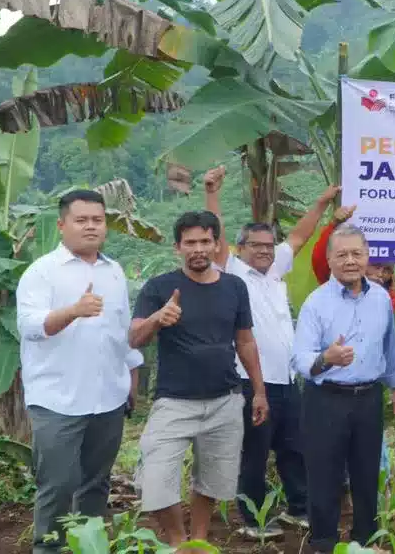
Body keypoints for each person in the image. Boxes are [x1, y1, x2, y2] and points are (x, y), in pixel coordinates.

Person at [202, 165, 339, 539]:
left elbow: (299, 236)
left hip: (287, 378)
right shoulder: (232, 271)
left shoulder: (275, 268)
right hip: (250, 381)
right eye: (256, 246)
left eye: (268, 245)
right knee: (255, 452)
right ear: (241, 248)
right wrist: (212, 193)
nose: (264, 251)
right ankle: (253, 520)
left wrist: (322, 203)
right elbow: (216, 236)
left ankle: (299, 509)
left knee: (295, 447)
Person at [130, 211, 270, 548]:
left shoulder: (234, 287)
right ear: (177, 247)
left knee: (212, 481)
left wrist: (259, 391)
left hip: (225, 400)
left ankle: (199, 542)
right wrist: (158, 318)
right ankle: (180, 542)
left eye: (205, 241)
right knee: (155, 478)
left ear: (217, 244)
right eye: (190, 242)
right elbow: (134, 338)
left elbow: (245, 341)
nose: (198, 249)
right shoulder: (159, 287)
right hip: (174, 401)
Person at [16, 190, 142, 554]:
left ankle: (89, 546)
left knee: (96, 484)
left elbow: (122, 331)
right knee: (57, 484)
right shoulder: (42, 272)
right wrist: (73, 311)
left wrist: (132, 377)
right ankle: (48, 549)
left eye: (97, 220)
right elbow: (30, 327)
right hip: (57, 399)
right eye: (81, 220)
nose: (91, 227)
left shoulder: (113, 271)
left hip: (108, 397)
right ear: (62, 225)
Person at [292, 224, 395, 552]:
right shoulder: (316, 303)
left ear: (367, 256)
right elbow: (300, 358)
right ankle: (323, 543)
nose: (350, 261)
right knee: (324, 475)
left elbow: (389, 348)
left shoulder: (381, 299)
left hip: (368, 398)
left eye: (357, 253)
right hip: (325, 399)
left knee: (367, 473)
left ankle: (365, 541)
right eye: (342, 255)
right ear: (329, 260)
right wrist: (326, 359)